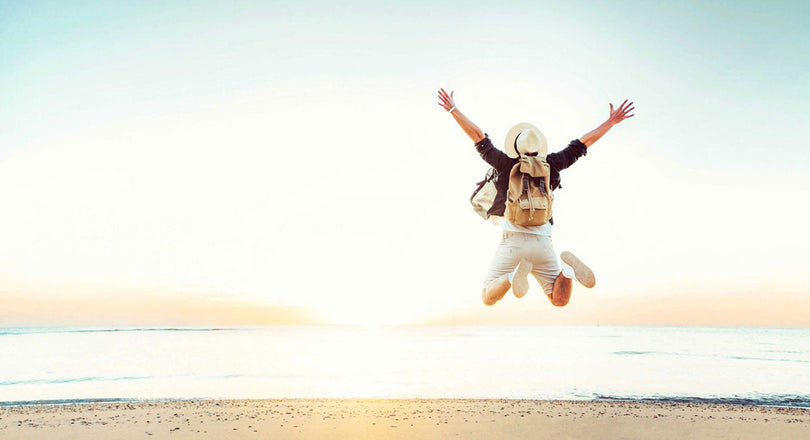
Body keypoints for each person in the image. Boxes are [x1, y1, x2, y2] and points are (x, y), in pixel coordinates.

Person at [437, 88, 634, 307]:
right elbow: (583, 144)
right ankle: (567, 273)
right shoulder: (553, 164)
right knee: (559, 300)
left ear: (515, 147)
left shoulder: (505, 164)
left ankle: (511, 278)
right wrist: (611, 122)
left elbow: (477, 136)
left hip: (512, 241)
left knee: (487, 296)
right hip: (543, 241)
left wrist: (453, 109)